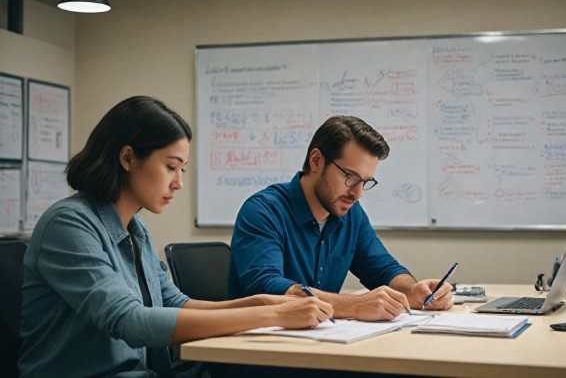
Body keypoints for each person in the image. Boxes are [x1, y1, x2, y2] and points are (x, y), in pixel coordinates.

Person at [18, 96, 332, 378]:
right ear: (127, 158)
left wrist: (260, 302)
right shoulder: (68, 223)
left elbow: (173, 302)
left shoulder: (135, 228)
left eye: (182, 169)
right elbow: (131, 321)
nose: (178, 183)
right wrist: (272, 314)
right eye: (171, 167)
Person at [227, 115, 453, 321]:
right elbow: (266, 287)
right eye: (350, 177)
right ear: (316, 161)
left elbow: (383, 270)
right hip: (260, 354)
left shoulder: (351, 213)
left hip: (321, 345)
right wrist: (354, 305)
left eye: (365, 182)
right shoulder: (263, 211)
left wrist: (414, 291)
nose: (357, 193)